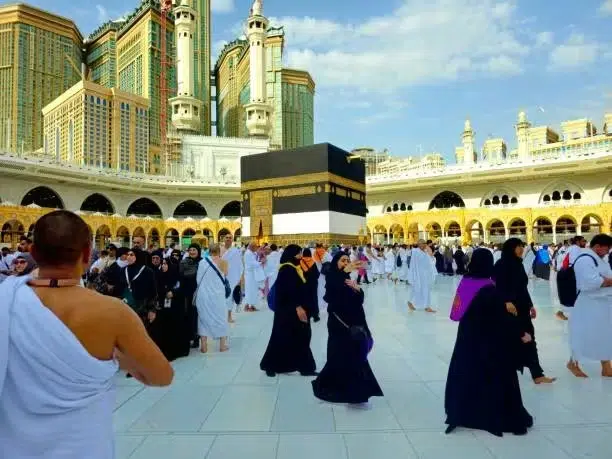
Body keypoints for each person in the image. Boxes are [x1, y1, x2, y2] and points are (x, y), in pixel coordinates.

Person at [0, 210, 173, 459]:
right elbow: (161, 375)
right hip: (83, 448)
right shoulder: (112, 312)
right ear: (85, 254)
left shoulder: (6, 302)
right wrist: (118, 358)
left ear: (34, 253)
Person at [445, 249, 534, 437]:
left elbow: (455, 314)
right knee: (492, 376)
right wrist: (521, 332)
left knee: (468, 373)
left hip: (468, 339)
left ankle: (465, 412)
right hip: (490, 341)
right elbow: (501, 318)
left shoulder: (466, 282)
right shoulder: (490, 287)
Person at [312, 251, 383, 405]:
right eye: (342, 261)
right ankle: (334, 385)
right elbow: (332, 293)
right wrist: (344, 272)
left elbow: (358, 300)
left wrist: (358, 289)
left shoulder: (347, 279)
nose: (345, 263)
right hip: (339, 324)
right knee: (338, 354)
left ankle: (357, 391)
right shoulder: (332, 277)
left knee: (354, 355)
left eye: (347, 260)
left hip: (353, 322)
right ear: (336, 262)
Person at [493, 238, 555, 384]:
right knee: (509, 341)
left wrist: (530, 305)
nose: (521, 249)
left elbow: (522, 288)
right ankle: (502, 372)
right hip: (508, 310)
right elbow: (497, 286)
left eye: (522, 246)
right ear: (510, 248)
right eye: (517, 246)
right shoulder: (501, 265)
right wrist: (506, 301)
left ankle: (537, 374)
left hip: (521, 308)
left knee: (528, 339)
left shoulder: (518, 264)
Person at [260, 244, 317, 377]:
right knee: (281, 338)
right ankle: (270, 366)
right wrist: (298, 307)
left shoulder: (295, 268)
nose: (300, 256)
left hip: (292, 310)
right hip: (287, 312)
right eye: (298, 254)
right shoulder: (287, 269)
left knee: (300, 338)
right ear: (292, 254)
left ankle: (305, 367)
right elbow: (288, 291)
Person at [567, 234, 612, 378]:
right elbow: (590, 282)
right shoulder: (585, 259)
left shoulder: (599, 259)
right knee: (584, 335)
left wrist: (606, 280)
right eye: (607, 248)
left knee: (604, 335)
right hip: (589, 304)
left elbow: (606, 277)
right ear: (597, 246)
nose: (609, 251)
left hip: (602, 303)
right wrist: (606, 281)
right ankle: (573, 363)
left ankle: (606, 366)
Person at [195, 243, 230, 353]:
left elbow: (198, 280)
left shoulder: (202, 262)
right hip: (217, 296)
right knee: (220, 318)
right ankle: (222, 346)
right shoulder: (223, 262)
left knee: (203, 319)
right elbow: (225, 275)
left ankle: (204, 346)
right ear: (219, 251)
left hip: (203, 295)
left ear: (209, 251)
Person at [407, 240, 437, 313]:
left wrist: (426, 247)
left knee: (422, 289)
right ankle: (426, 306)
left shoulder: (424, 252)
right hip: (419, 275)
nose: (425, 245)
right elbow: (415, 264)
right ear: (419, 244)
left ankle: (411, 302)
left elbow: (430, 255)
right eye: (423, 244)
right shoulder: (415, 252)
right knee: (420, 289)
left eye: (425, 244)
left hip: (425, 274)